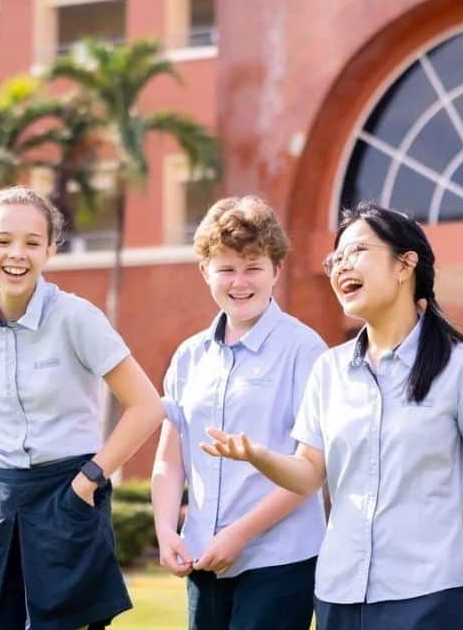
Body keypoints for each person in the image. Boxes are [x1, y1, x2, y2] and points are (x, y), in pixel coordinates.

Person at [203, 202, 463, 630]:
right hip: (339, 594)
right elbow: (308, 474)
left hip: (428, 594)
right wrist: (259, 455)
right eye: (336, 257)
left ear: (405, 264)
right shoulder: (329, 369)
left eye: (356, 251)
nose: (342, 266)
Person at [0, 186, 165, 630]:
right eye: (3, 240)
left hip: (69, 493)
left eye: (32, 242)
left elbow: (147, 406)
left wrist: (89, 479)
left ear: (50, 249)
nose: (18, 254)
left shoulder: (77, 317)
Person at [152, 195, 328, 630]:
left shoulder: (306, 352)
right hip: (203, 557)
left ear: (276, 270)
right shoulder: (189, 356)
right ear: (205, 271)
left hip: (279, 560)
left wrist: (240, 535)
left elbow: (313, 470)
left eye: (253, 267)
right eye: (226, 268)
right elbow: (170, 458)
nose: (239, 282)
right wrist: (165, 530)